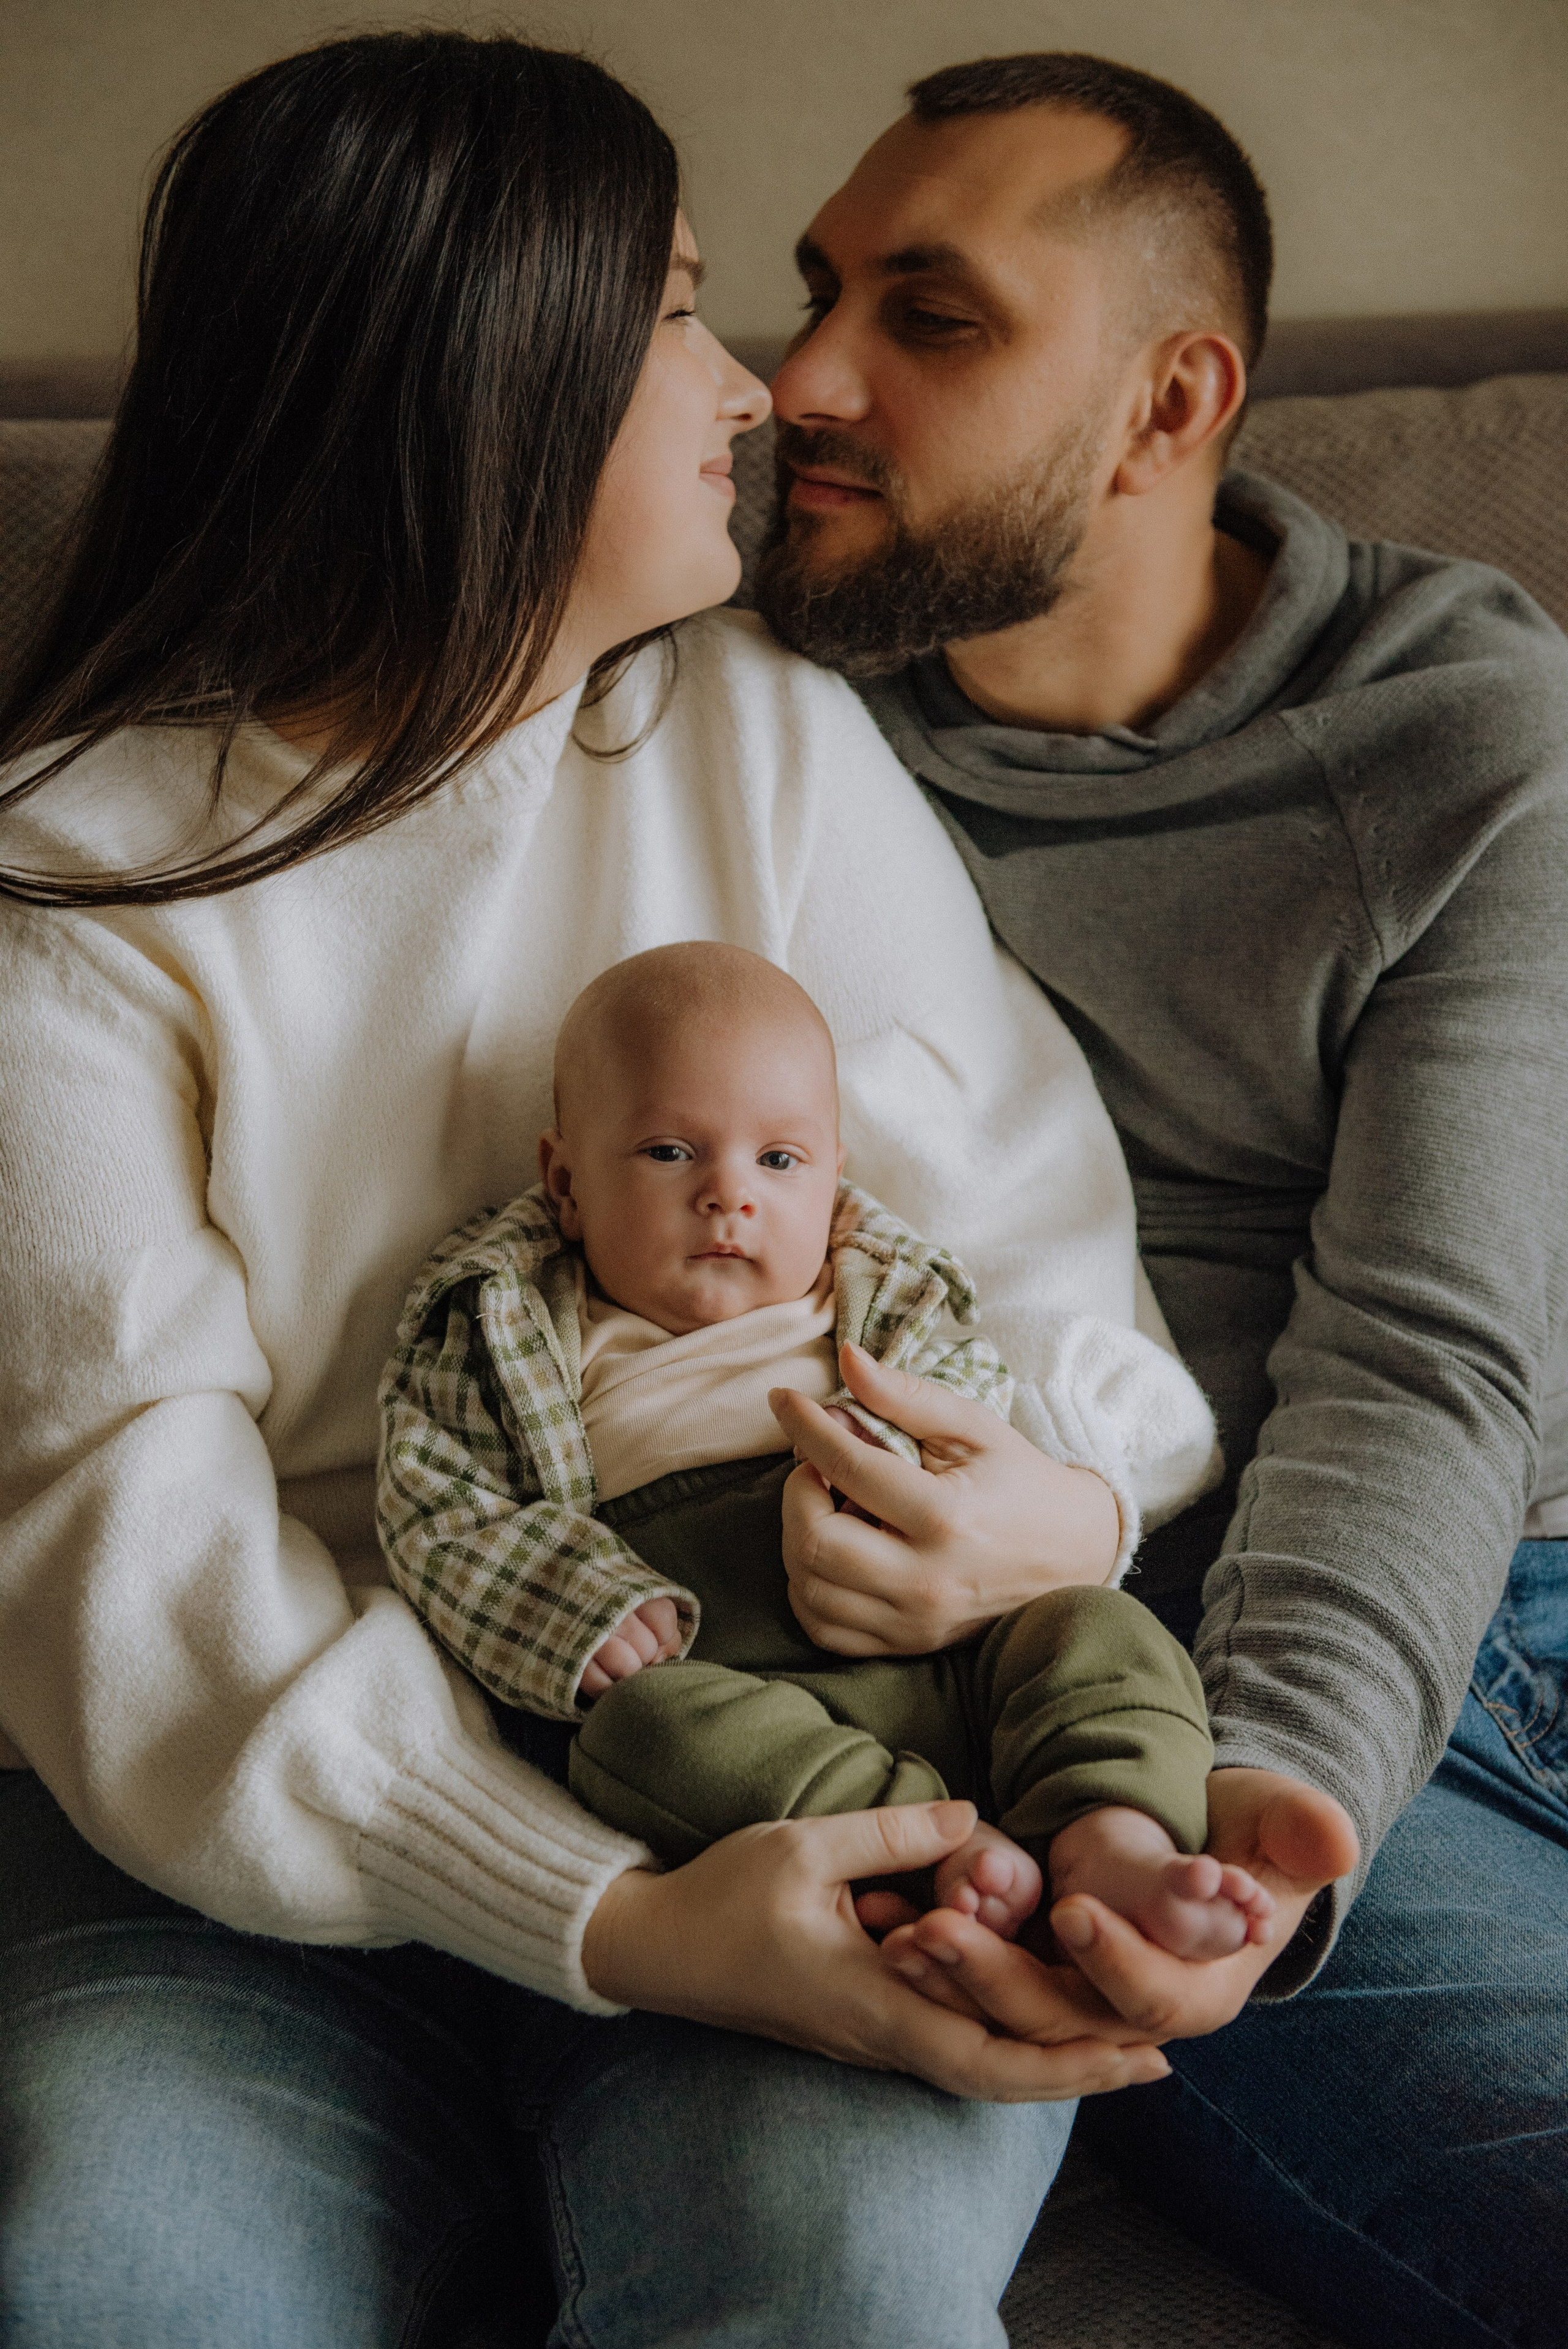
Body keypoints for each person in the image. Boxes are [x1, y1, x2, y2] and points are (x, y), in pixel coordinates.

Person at [0, 31, 1358, 2349]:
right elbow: (124, 1549)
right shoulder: (79, 883)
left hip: (822, 1724)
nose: (751, 393)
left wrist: (1046, 1510)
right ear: (481, 378)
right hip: (240, 1828)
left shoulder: (757, 737)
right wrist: (614, 1916)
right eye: (674, 315)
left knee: (819, 2286)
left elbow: (1029, 1257)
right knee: (130, 2285)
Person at [754, 47, 1568, 2349]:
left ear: (1167, 399)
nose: (798, 377)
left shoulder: (1458, 725)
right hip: (1168, 1661)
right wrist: (1244, 1821)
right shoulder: (729, 700)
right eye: (817, 292)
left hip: (1490, 1556)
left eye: (932, 317)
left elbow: (1438, 1342)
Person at [379, 940, 1273, 1958]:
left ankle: (1112, 1833)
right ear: (567, 1181)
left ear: (833, 1175)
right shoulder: (504, 1326)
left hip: (955, 1638)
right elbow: (437, 1510)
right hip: (728, 1674)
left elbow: (978, 1415)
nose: (729, 1194)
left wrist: (964, 1516)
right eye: (671, 1152)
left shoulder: (885, 1295)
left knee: (1096, 1627)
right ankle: (932, 1849)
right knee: (637, 1736)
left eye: (779, 1160)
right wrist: (576, 1607)